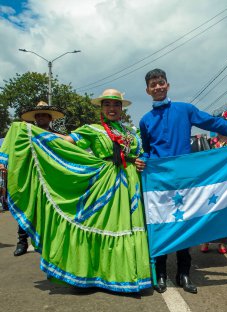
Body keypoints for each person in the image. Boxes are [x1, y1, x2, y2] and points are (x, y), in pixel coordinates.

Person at [0, 89, 151, 293]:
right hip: (104, 184)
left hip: (130, 184)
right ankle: (87, 275)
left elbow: (140, 154)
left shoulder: (132, 133)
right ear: (101, 108)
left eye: (116, 104)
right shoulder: (92, 130)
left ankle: (124, 275)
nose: (112, 108)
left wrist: (141, 161)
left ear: (121, 108)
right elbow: (66, 142)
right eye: (107, 104)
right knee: (94, 223)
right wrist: (30, 132)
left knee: (126, 227)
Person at [139, 68, 227, 294]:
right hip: (159, 183)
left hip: (186, 180)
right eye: (153, 85)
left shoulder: (185, 110)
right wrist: (143, 160)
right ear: (147, 90)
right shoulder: (145, 120)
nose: (158, 87)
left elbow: (214, 123)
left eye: (161, 83)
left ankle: (184, 274)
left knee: (184, 224)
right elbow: (148, 150)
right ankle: (160, 273)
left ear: (168, 85)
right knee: (160, 225)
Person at [0, 101, 65, 256]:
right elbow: (12, 146)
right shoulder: (24, 133)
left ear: (50, 118)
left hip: (50, 179)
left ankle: (51, 244)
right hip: (29, 177)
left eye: (44, 115)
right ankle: (22, 242)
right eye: (38, 115)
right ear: (35, 118)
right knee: (26, 207)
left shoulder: (57, 136)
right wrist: (4, 162)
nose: (41, 117)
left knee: (51, 212)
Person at [200, 110, 227, 254]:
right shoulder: (209, 142)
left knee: (223, 213)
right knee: (207, 211)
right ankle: (205, 241)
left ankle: (222, 242)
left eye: (225, 124)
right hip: (211, 182)